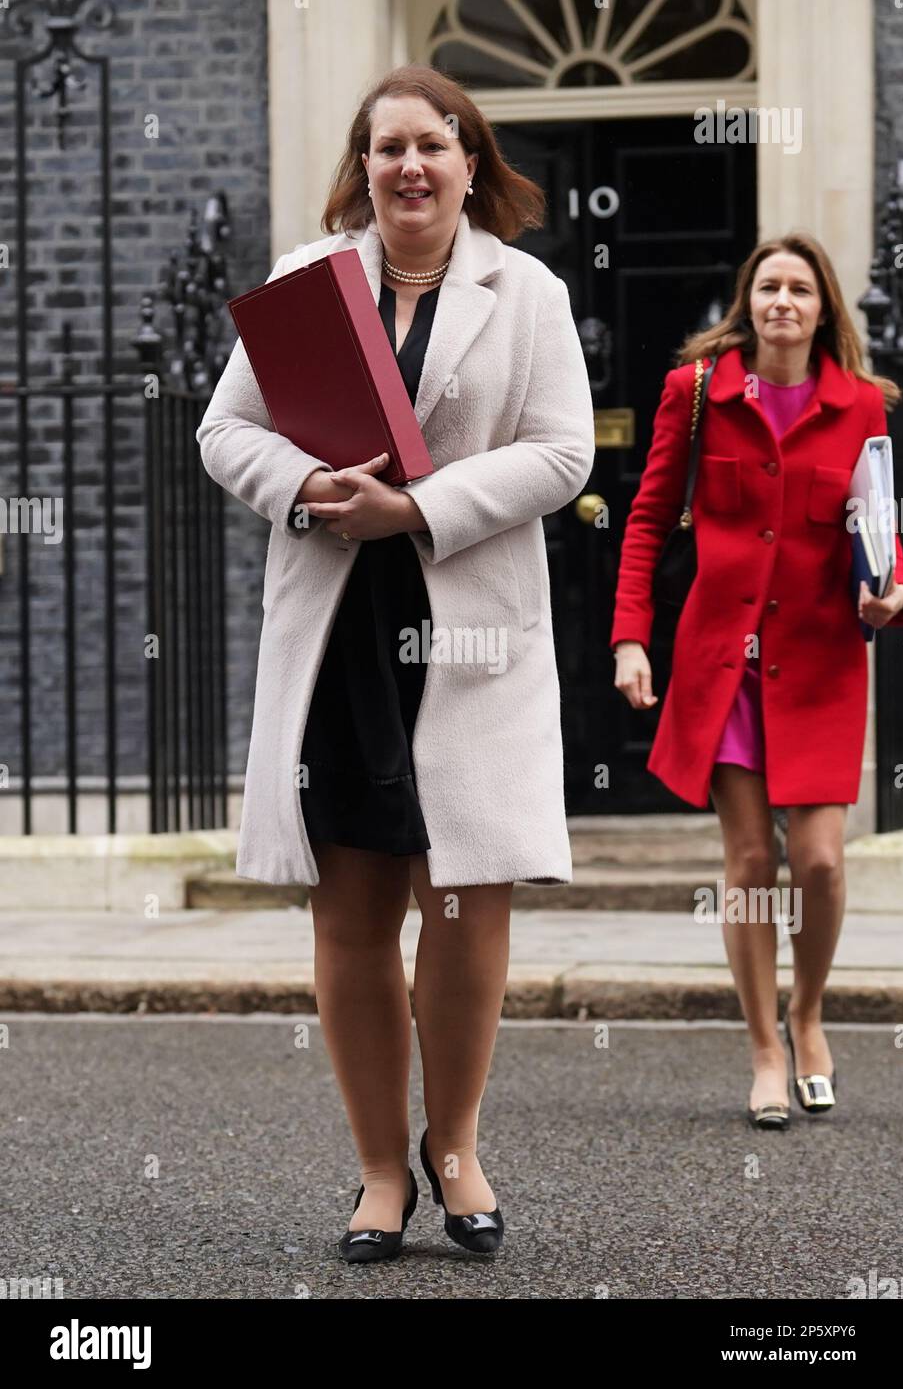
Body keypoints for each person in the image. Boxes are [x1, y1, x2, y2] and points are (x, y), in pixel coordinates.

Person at [196, 64, 594, 1259]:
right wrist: (311, 488)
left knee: (466, 906)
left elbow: (564, 452)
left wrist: (417, 506)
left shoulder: (524, 292)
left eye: (433, 144)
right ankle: (380, 1169)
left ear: (472, 161)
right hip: (341, 640)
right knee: (353, 911)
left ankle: (455, 1147)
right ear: (361, 168)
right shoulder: (303, 285)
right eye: (387, 150)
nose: (410, 167)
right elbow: (226, 428)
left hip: (468, 634)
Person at [611, 232, 903, 1130]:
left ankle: (809, 1014)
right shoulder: (698, 393)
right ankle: (765, 1049)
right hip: (724, 663)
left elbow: (880, 526)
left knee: (817, 860)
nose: (784, 301)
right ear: (750, 302)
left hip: (819, 662)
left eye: (801, 289)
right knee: (749, 861)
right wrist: (632, 639)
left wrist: (893, 590)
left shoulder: (862, 405)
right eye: (769, 286)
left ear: (823, 311)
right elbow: (650, 516)